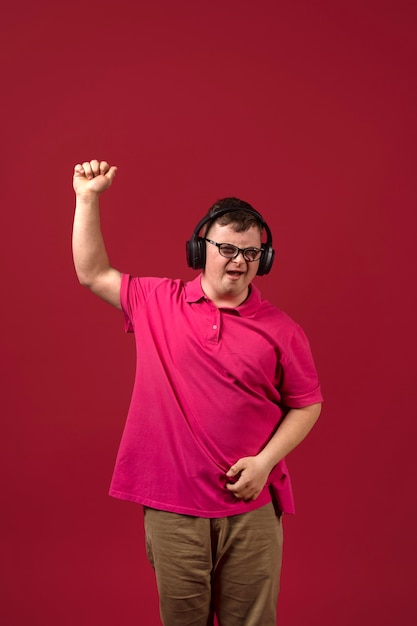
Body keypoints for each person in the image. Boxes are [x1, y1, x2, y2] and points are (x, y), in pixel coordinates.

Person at [72, 159, 323, 626]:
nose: (238, 261)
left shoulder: (284, 331)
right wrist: (87, 199)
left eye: (251, 252)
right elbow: (92, 273)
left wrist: (265, 463)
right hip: (173, 509)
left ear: (263, 259)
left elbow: (308, 404)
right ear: (198, 250)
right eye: (226, 248)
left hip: (251, 507)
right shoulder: (155, 302)